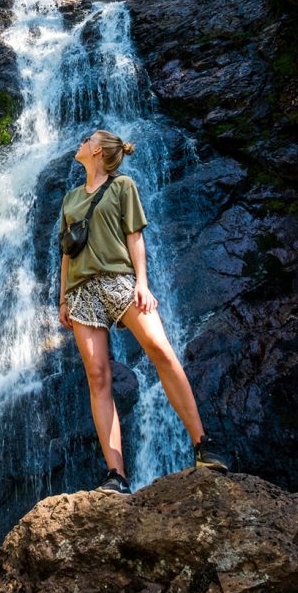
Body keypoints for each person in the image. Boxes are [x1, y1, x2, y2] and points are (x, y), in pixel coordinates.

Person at [58, 128, 228, 495]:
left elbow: (135, 237)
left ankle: (203, 445)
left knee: (161, 349)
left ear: (99, 150)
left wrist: (143, 283)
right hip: (81, 292)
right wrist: (62, 299)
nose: (81, 143)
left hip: (120, 281)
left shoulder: (123, 187)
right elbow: (65, 253)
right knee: (98, 377)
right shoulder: (71, 198)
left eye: (87, 140)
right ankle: (115, 475)